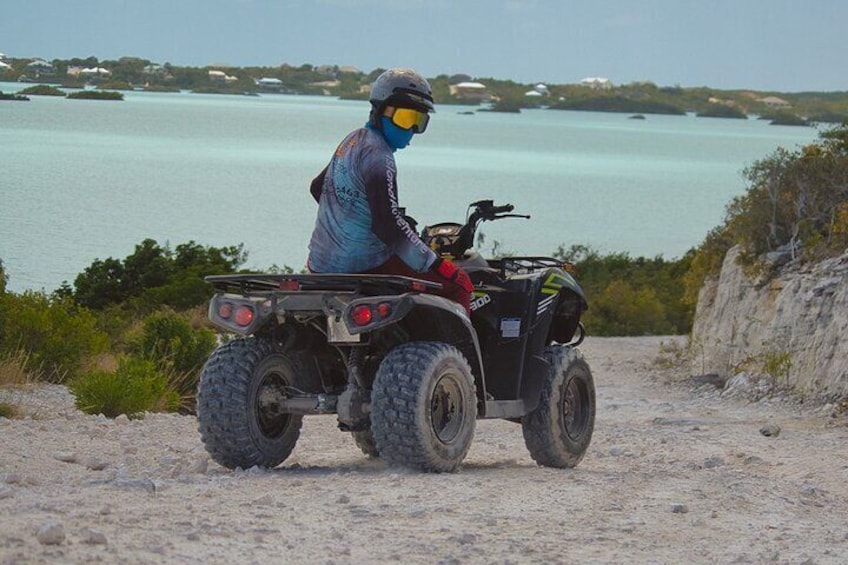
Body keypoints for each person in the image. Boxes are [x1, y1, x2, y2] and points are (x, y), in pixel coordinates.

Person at [306, 68, 473, 313]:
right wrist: (437, 263)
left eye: (419, 122)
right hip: (366, 265)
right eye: (405, 118)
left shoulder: (352, 140)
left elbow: (317, 188)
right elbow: (388, 226)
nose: (411, 130)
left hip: (319, 263)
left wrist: (353, 221)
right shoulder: (380, 157)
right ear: (380, 110)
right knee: (460, 285)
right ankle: (453, 351)